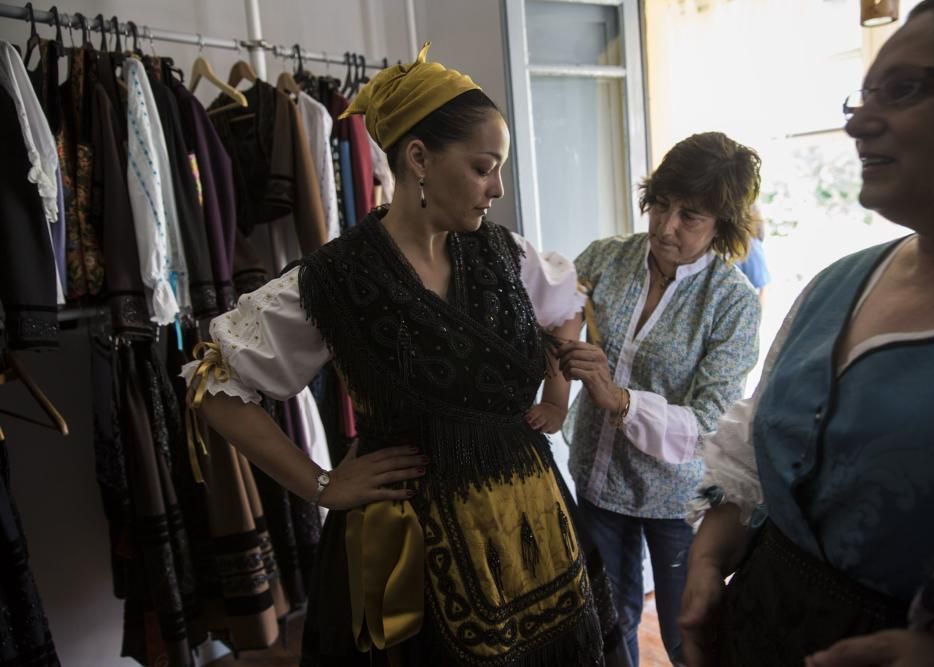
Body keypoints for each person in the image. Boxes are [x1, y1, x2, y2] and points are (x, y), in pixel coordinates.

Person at [184, 44, 619, 666]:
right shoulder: (331, 281)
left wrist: (556, 399)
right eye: (482, 167)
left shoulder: (506, 253)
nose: (497, 187)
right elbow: (212, 385)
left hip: (536, 528)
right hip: (412, 555)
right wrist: (322, 484)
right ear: (419, 158)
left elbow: (564, 308)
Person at [679, 2, 934, 665]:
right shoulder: (839, 282)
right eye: (862, 93)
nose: (857, 122)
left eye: (904, 89)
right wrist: (711, 557)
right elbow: (753, 446)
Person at [558, 131, 763, 666]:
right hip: (599, 479)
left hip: (676, 500)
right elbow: (551, 312)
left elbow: (710, 424)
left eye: (690, 216)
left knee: (684, 635)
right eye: (662, 205)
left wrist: (618, 399)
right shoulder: (606, 259)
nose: (667, 227)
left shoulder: (732, 303)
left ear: (722, 225)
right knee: (610, 622)